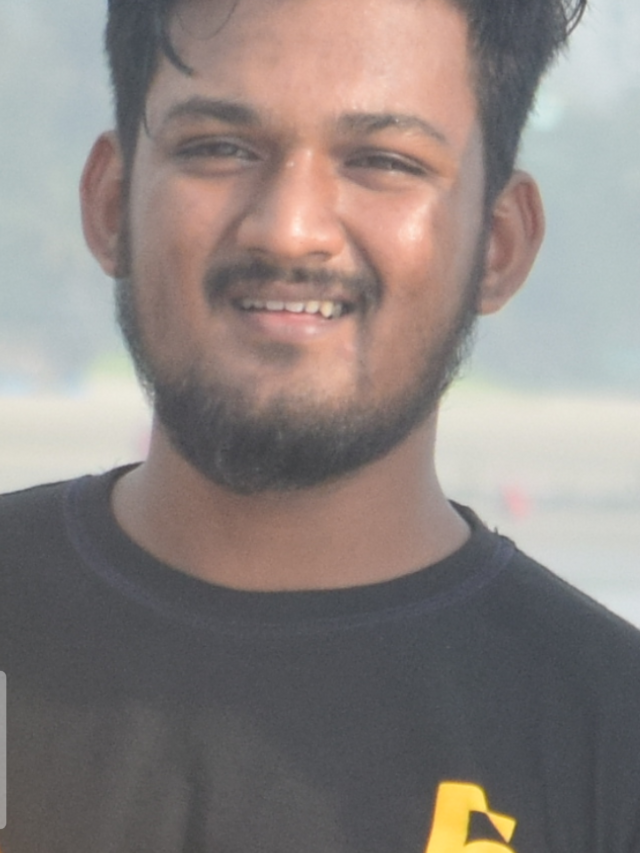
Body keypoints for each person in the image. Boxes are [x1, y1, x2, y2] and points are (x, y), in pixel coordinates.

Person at [1, 0, 639, 850]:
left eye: (383, 161)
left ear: (499, 242)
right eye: (220, 148)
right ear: (112, 202)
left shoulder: (610, 745)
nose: (289, 229)